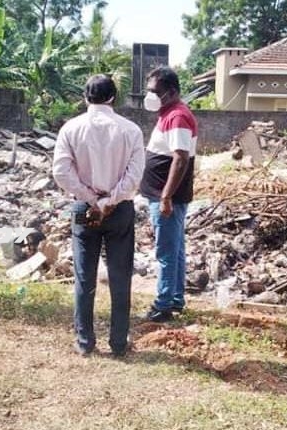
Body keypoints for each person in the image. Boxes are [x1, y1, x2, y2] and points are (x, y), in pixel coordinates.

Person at [52, 74, 145, 357]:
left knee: (84, 275)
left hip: (85, 208)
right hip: (119, 211)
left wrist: (93, 199)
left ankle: (85, 341)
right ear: (113, 97)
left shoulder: (71, 128)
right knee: (120, 275)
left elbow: (61, 172)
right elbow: (134, 175)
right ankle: (118, 342)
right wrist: (110, 201)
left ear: (85, 97)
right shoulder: (130, 130)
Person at [139, 67, 198, 322]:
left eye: (156, 91)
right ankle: (174, 298)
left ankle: (163, 305)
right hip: (164, 195)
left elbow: (181, 158)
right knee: (175, 249)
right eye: (149, 91)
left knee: (166, 252)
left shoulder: (177, 117)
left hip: (167, 197)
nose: (150, 96)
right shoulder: (168, 114)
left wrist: (165, 197)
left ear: (172, 92)